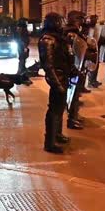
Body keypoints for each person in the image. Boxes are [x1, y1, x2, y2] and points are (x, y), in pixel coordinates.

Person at [39, 13, 71, 154]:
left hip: (63, 77)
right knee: (53, 110)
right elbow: (48, 65)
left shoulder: (59, 39)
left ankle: (57, 134)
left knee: (60, 108)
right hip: (56, 78)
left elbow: (65, 58)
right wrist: (56, 84)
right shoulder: (47, 40)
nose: (62, 24)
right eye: (59, 21)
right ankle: (49, 142)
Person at [63, 11, 87, 130]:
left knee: (76, 94)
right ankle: (71, 119)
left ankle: (74, 116)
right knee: (73, 93)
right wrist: (73, 68)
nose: (82, 21)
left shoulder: (74, 32)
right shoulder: (71, 33)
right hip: (72, 67)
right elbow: (71, 52)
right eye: (80, 19)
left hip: (76, 66)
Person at [86, 15, 103, 88]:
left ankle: (93, 80)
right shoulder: (88, 28)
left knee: (96, 65)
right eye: (94, 19)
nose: (96, 21)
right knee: (91, 65)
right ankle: (90, 82)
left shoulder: (96, 27)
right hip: (90, 49)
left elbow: (98, 37)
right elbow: (89, 39)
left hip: (96, 48)